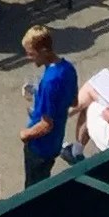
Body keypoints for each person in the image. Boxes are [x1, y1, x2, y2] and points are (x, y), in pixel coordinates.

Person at [19, 24, 74, 186]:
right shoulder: (68, 68)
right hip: (56, 141)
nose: (29, 57)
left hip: (40, 147)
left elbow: (45, 125)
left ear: (43, 51)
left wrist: (26, 134)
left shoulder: (49, 82)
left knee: (32, 188)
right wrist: (39, 97)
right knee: (43, 179)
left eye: (31, 53)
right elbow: (73, 101)